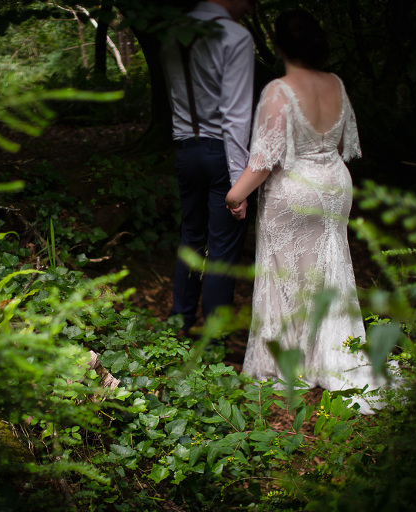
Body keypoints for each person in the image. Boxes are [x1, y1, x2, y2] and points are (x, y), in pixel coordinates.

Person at [225, 9, 386, 412]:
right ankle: (333, 356)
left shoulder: (279, 91)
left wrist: (234, 195)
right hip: (333, 182)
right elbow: (340, 143)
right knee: (329, 267)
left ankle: (287, 361)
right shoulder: (336, 84)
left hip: (295, 187)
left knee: (284, 271)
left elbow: (264, 160)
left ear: (278, 46)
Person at [162, 0, 256, 339]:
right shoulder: (235, 36)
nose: (252, 5)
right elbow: (236, 116)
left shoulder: (173, 34)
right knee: (222, 251)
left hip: (186, 149)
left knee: (191, 238)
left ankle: (179, 324)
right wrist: (238, 184)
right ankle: (213, 338)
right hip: (221, 153)